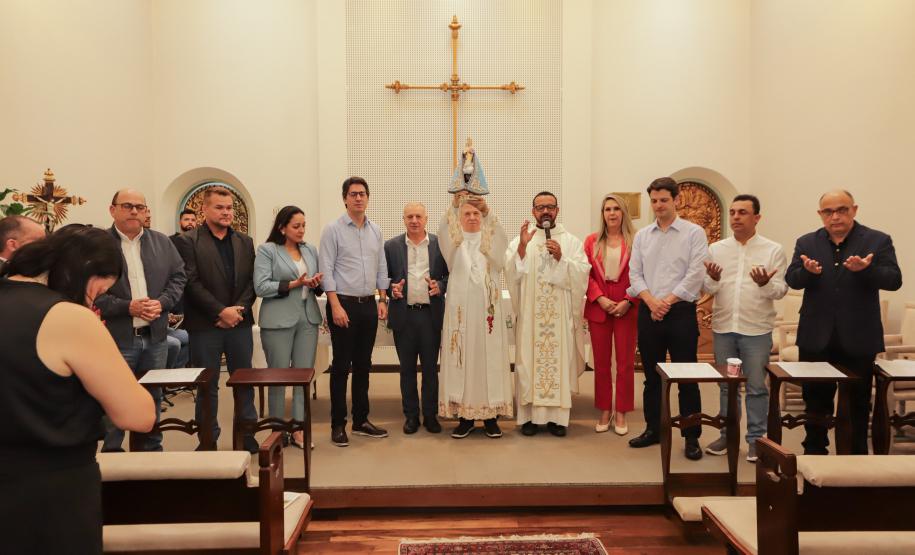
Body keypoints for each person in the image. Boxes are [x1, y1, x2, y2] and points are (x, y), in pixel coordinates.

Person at [0, 226, 155, 554]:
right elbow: (138, 415)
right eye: (100, 291)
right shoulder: (65, 317)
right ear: (87, 272)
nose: (95, 300)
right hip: (50, 491)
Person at [785, 190, 901, 454]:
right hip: (816, 337)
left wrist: (867, 270)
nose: (835, 216)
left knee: (858, 404)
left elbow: (894, 280)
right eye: (828, 211)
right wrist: (808, 272)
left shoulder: (877, 240)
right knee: (814, 403)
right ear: (820, 214)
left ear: (854, 210)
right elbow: (791, 279)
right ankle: (814, 454)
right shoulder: (806, 242)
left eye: (842, 210)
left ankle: (854, 461)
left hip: (858, 338)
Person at [95, 189, 187, 452]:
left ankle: (150, 454)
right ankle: (112, 456)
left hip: (155, 336)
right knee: (116, 399)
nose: (134, 211)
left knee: (151, 398)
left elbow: (179, 277)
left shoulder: (161, 242)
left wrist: (163, 302)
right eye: (127, 206)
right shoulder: (99, 243)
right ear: (112, 210)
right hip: (118, 338)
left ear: (147, 212)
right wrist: (128, 307)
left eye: (140, 207)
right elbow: (90, 290)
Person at [627, 177, 708, 461]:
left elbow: (696, 274)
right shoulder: (642, 236)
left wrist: (668, 302)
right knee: (652, 377)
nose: (658, 205)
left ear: (675, 199)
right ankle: (654, 429)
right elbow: (634, 274)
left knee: (687, 377)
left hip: (681, 313)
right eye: (654, 201)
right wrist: (651, 301)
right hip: (649, 312)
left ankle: (691, 436)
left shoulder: (693, 233)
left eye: (664, 200)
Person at [702, 195, 787, 462]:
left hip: (756, 330)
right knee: (727, 386)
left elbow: (781, 290)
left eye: (743, 212)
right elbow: (708, 288)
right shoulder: (717, 249)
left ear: (757, 218)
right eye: (733, 212)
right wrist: (713, 279)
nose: (736, 217)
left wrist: (764, 284)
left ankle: (755, 440)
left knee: (755, 387)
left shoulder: (773, 250)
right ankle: (728, 436)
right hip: (724, 328)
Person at [174, 186, 258, 452]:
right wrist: (220, 312)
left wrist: (238, 311)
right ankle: (208, 438)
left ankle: (247, 434)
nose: (226, 212)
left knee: (244, 380)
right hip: (205, 325)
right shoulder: (188, 241)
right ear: (205, 210)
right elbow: (191, 282)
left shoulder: (245, 241)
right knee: (207, 384)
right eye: (219, 207)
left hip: (239, 324)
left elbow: (251, 282)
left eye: (229, 207)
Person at [506, 192, 589, 437]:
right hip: (531, 316)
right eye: (540, 207)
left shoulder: (571, 241)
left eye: (550, 207)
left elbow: (582, 273)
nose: (545, 211)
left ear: (557, 210)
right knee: (528, 362)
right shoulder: (523, 239)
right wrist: (521, 247)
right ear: (533, 211)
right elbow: (511, 271)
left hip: (559, 317)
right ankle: (529, 417)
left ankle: (557, 420)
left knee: (557, 362)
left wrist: (562, 258)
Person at [319, 177, 390, 447]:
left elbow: (381, 267)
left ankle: (361, 420)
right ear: (345, 199)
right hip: (343, 304)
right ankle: (338, 424)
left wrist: (382, 298)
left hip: (368, 304)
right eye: (353, 194)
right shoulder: (333, 230)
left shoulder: (376, 231)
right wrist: (334, 305)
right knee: (341, 367)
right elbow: (326, 269)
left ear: (368, 197)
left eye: (362, 194)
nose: (358, 198)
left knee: (363, 365)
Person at [438, 192, 513, 438]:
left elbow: (502, 245)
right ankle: (464, 417)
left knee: (487, 360)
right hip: (461, 315)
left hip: (487, 316)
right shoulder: (454, 241)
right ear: (460, 218)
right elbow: (443, 228)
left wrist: (488, 209)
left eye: (476, 214)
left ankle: (491, 416)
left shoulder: (489, 240)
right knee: (463, 360)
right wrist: (454, 203)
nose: (472, 217)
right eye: (467, 213)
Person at [254, 205, 323, 449]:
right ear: (282, 227)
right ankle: (277, 429)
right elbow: (261, 287)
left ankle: (298, 430)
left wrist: (314, 283)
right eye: (296, 226)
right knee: (278, 375)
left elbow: (314, 284)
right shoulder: (268, 250)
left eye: (304, 225)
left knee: (303, 377)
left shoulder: (310, 250)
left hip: (308, 318)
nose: (302, 230)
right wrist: (294, 283)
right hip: (278, 320)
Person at [385, 203, 449, 434]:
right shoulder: (391, 246)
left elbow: (450, 276)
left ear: (426, 218)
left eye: (418, 216)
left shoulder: (440, 245)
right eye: (409, 216)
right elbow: (383, 277)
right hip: (404, 315)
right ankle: (411, 416)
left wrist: (440, 285)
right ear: (403, 219)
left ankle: (430, 415)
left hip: (430, 316)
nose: (414, 220)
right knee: (407, 369)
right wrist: (392, 289)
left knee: (431, 369)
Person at [583, 194, 639, 435]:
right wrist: (600, 298)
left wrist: (629, 300)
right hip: (600, 305)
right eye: (607, 209)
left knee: (625, 363)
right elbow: (585, 274)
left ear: (623, 213)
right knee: (601, 363)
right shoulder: (591, 241)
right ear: (603, 214)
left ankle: (622, 410)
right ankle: (605, 408)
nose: (612, 213)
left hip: (628, 305)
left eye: (616, 209)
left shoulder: (636, 241)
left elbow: (641, 273)